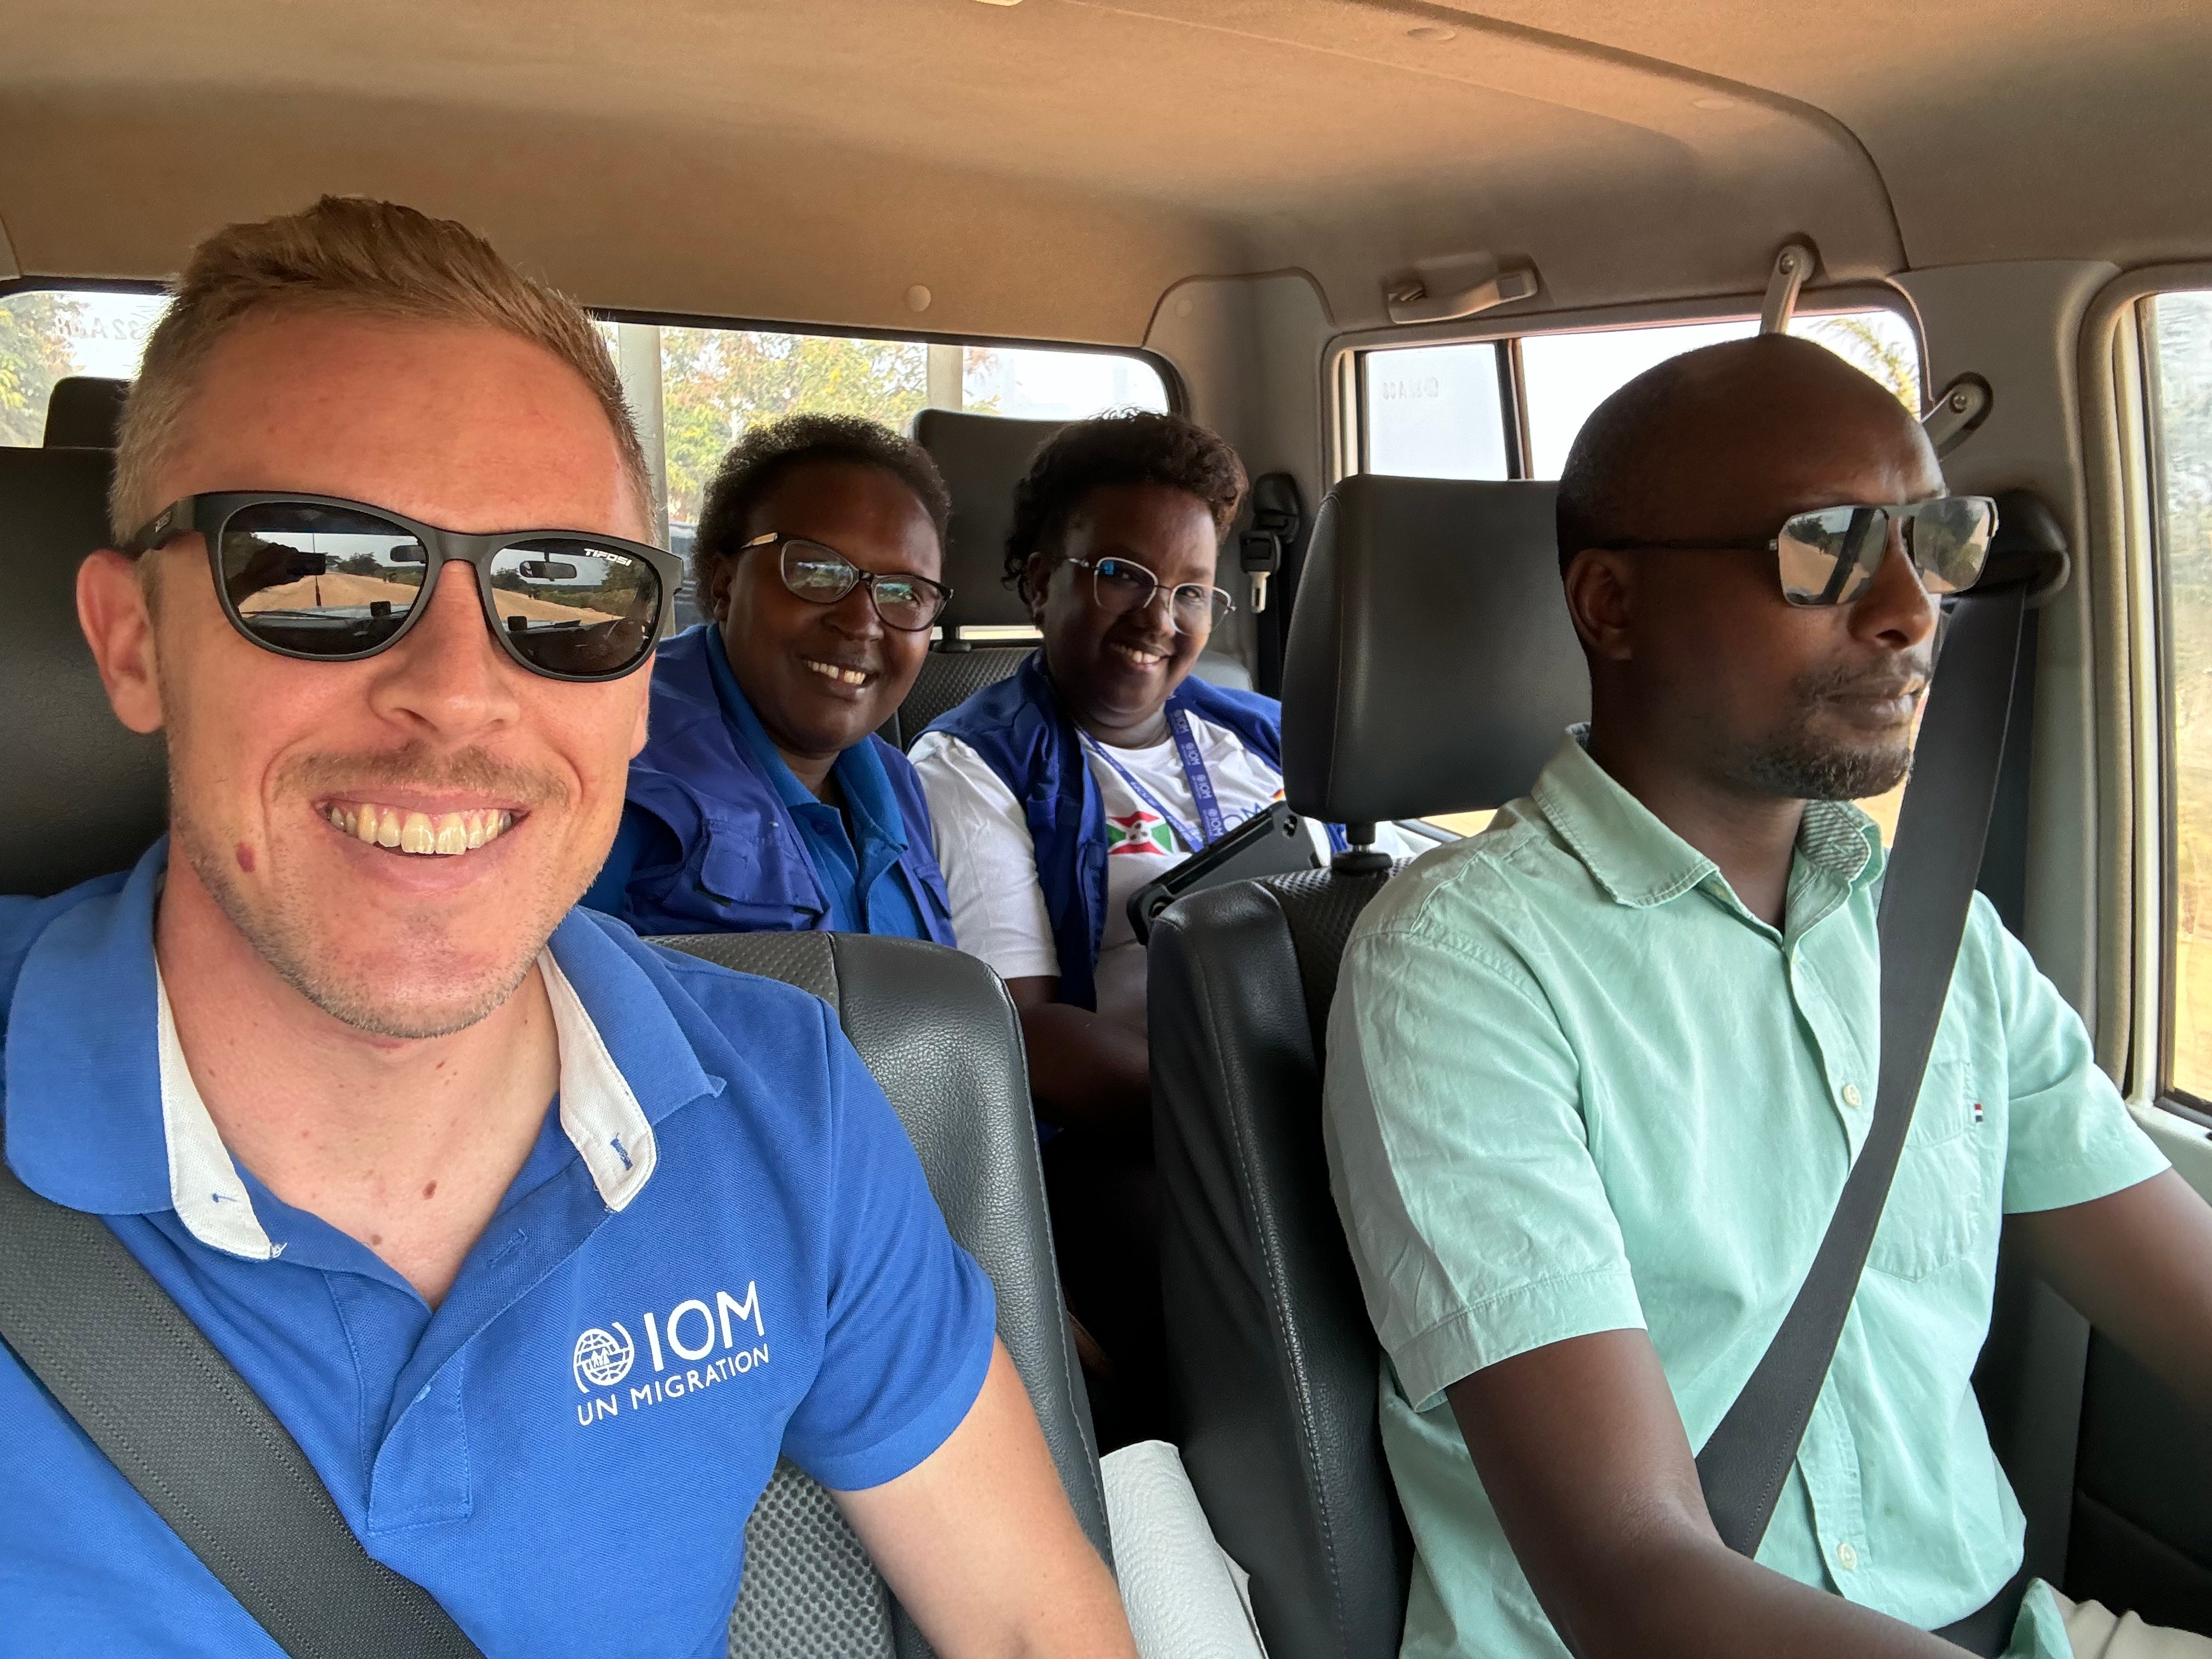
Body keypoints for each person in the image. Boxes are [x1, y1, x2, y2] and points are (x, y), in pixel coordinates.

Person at [0, 196, 1132, 1659]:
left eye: (567, 593)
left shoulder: (789, 1103)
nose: (461, 694)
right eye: (318, 571)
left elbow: (1038, 1624)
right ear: (133, 642)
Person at [1323, 334, 2212, 1659]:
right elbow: (1635, 1576)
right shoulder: (1461, 967)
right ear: (1611, 606)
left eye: (1937, 540)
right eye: (1831, 548)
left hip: (2008, 1627)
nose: (1914, 608)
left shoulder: (1937, 943)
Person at [912, 410, 1408, 1441]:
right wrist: (1278, 1112)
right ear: (1036, 574)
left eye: (1190, 589)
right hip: (1134, 1133)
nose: (1159, 616)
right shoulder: (973, 765)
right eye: (1121, 575)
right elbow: (1025, 1030)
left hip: (1326, 1085)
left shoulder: (1263, 734)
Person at [581, 414, 957, 941]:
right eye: (815, 571)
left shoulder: (898, 785)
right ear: (725, 582)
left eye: (904, 593)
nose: (860, 622)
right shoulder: (617, 762)